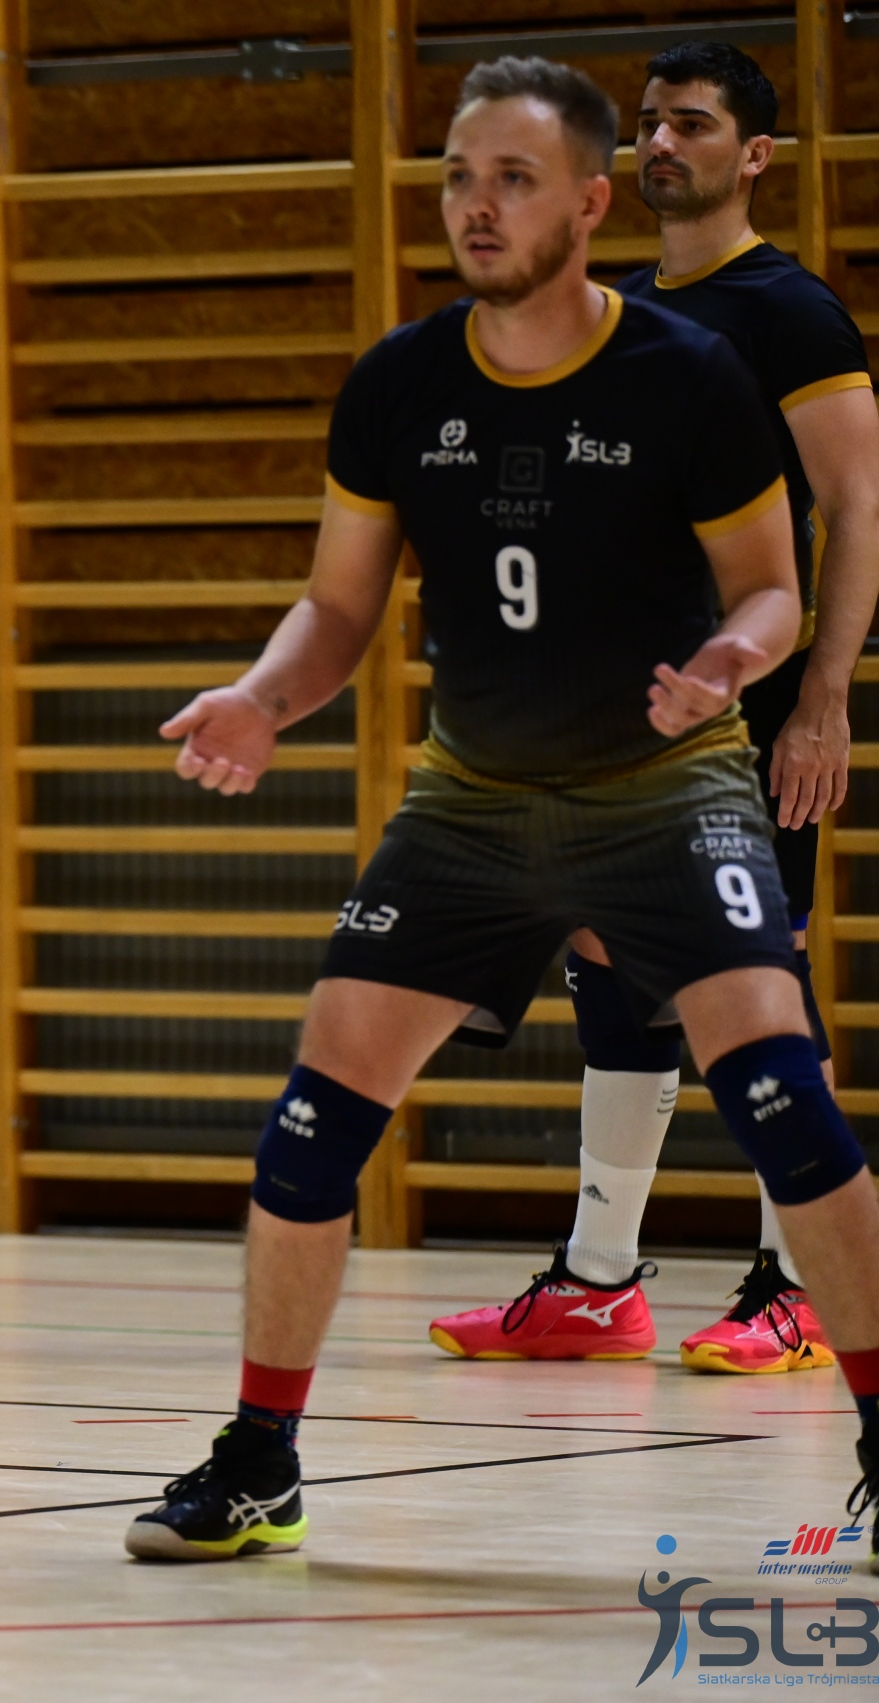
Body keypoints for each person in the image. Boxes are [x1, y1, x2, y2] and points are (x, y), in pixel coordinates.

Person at [125, 58, 879, 1563]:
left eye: (514, 180)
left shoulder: (689, 374)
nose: (478, 206)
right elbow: (339, 607)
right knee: (311, 1125)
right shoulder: (400, 383)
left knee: (782, 1095)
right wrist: (261, 698)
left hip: (664, 792)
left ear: (589, 203)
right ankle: (261, 1459)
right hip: (470, 801)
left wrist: (736, 663)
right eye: (460, 177)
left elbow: (773, 586)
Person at [429, 41, 879, 1377]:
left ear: (757, 155)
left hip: (747, 716)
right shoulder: (616, 312)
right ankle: (597, 1281)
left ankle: (802, 1286)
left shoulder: (789, 313)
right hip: (612, 720)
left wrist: (825, 698)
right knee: (614, 970)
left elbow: (857, 507)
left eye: (692, 122)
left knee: (755, 985)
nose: (662, 143)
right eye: (649, 123)